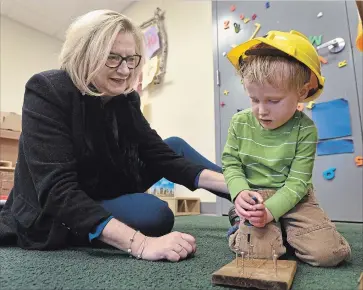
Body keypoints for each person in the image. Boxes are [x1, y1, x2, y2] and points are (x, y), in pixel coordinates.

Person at [0, 9, 231, 262]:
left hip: (102, 184)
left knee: (174, 146)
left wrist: (243, 192)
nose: (124, 70)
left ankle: (250, 203)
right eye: (112, 58)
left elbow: (158, 153)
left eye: (131, 59)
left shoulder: (125, 98)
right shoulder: (47, 89)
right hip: (57, 210)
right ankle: (88, 228)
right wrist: (142, 245)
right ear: (84, 54)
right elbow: (58, 191)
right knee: (155, 214)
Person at [222, 30, 351, 267]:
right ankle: (237, 225)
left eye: (273, 100)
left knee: (330, 254)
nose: (261, 110)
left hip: (296, 199)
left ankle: (282, 230)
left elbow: (297, 183)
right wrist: (240, 192)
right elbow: (231, 163)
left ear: (301, 93)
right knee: (259, 255)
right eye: (254, 99)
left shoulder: (306, 129)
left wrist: (272, 212)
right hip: (255, 196)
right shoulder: (239, 123)